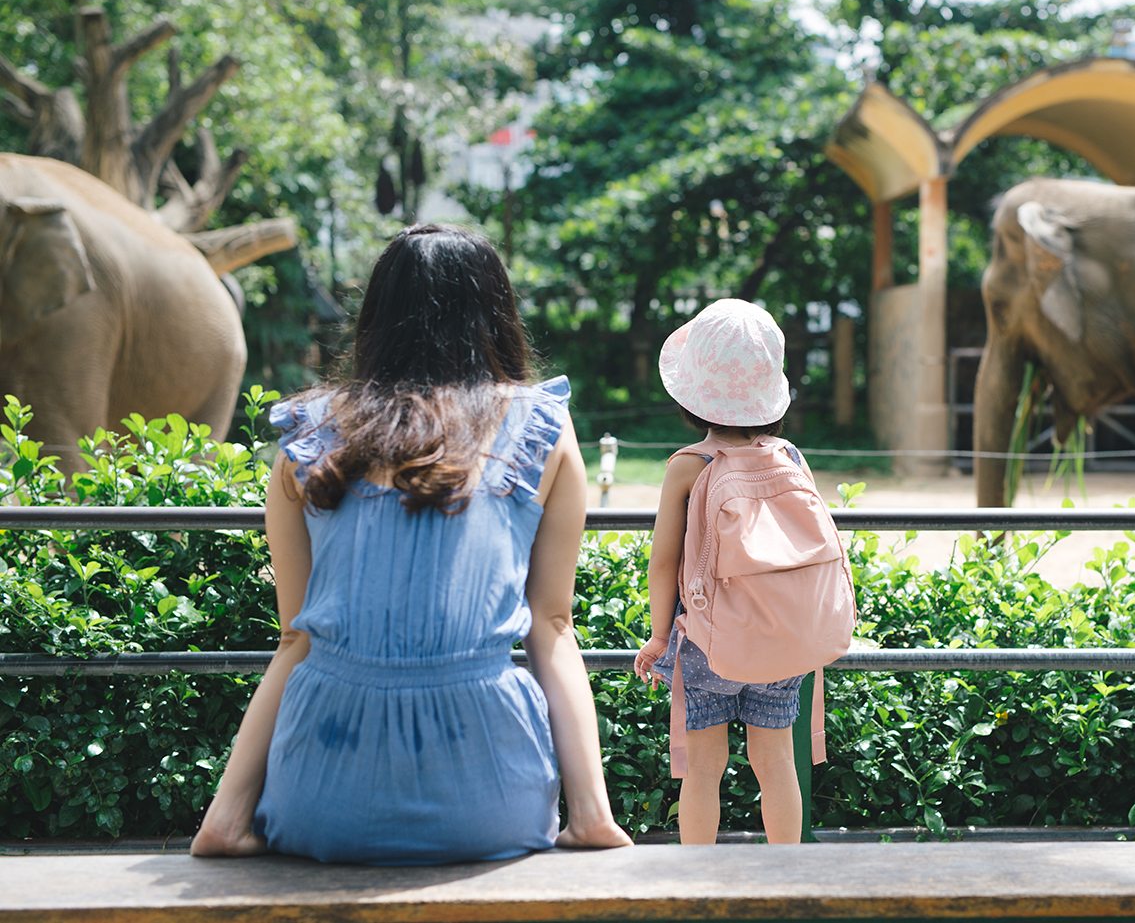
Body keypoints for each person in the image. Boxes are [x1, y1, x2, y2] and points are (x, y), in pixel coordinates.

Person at [191, 224, 632, 863]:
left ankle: (229, 817)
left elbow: (298, 637)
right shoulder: (539, 426)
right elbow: (553, 626)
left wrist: (226, 818)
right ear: (494, 313)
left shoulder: (308, 433)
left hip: (324, 789)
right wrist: (590, 814)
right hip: (489, 792)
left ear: (377, 316)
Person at [631, 298, 816, 845]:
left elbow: (664, 559)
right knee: (777, 762)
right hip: (780, 639)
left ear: (694, 397)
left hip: (708, 642)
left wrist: (660, 635)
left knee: (703, 770)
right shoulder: (791, 458)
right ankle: (785, 877)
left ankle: (700, 882)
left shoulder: (688, 466)